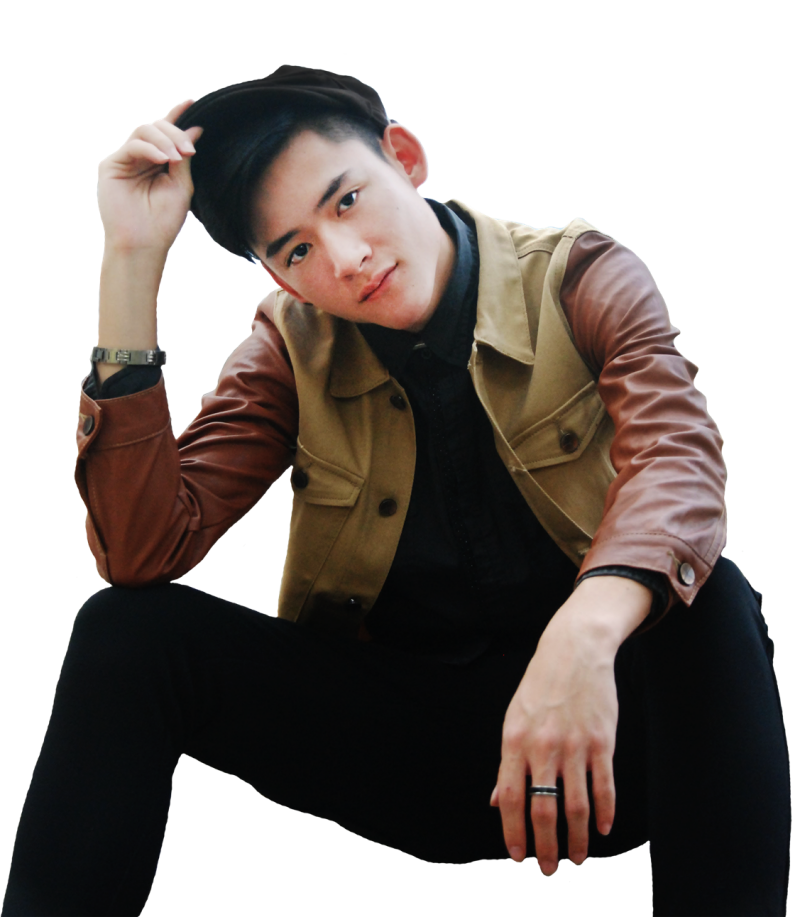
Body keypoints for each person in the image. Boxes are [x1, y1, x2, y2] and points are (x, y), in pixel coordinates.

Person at [3, 65, 790, 914]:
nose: (346, 261)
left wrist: (584, 631)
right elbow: (142, 550)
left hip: (610, 738)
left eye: (347, 201)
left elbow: (679, 456)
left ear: (404, 157)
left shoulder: (577, 274)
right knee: (124, 630)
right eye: (297, 250)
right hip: (420, 754)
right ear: (280, 278)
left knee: (711, 594)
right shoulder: (289, 347)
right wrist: (130, 260)